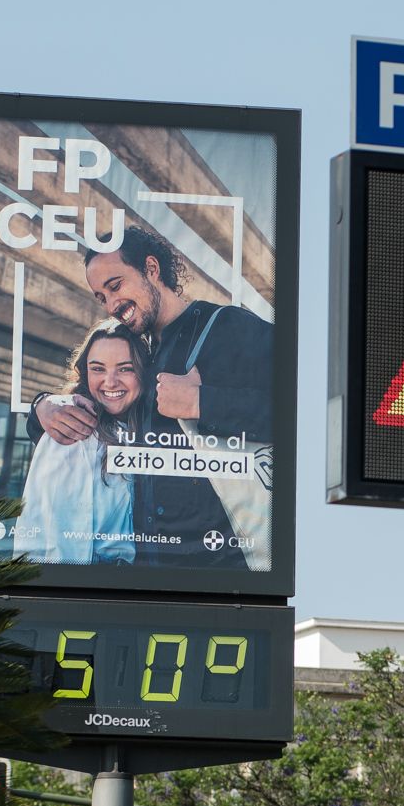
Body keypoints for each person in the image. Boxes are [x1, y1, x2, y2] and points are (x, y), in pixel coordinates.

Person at [26, 223, 265, 567]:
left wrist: (202, 402)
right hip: (150, 572)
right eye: (102, 297)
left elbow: (298, 410)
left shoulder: (227, 326)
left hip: (222, 571)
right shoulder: (141, 351)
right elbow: (100, 416)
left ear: (151, 268)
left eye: (115, 285)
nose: (111, 304)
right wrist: (42, 407)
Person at [13, 324, 143, 565]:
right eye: (98, 369)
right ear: (85, 372)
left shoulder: (151, 430)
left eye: (125, 368)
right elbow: (58, 534)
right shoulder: (73, 429)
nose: (110, 382)